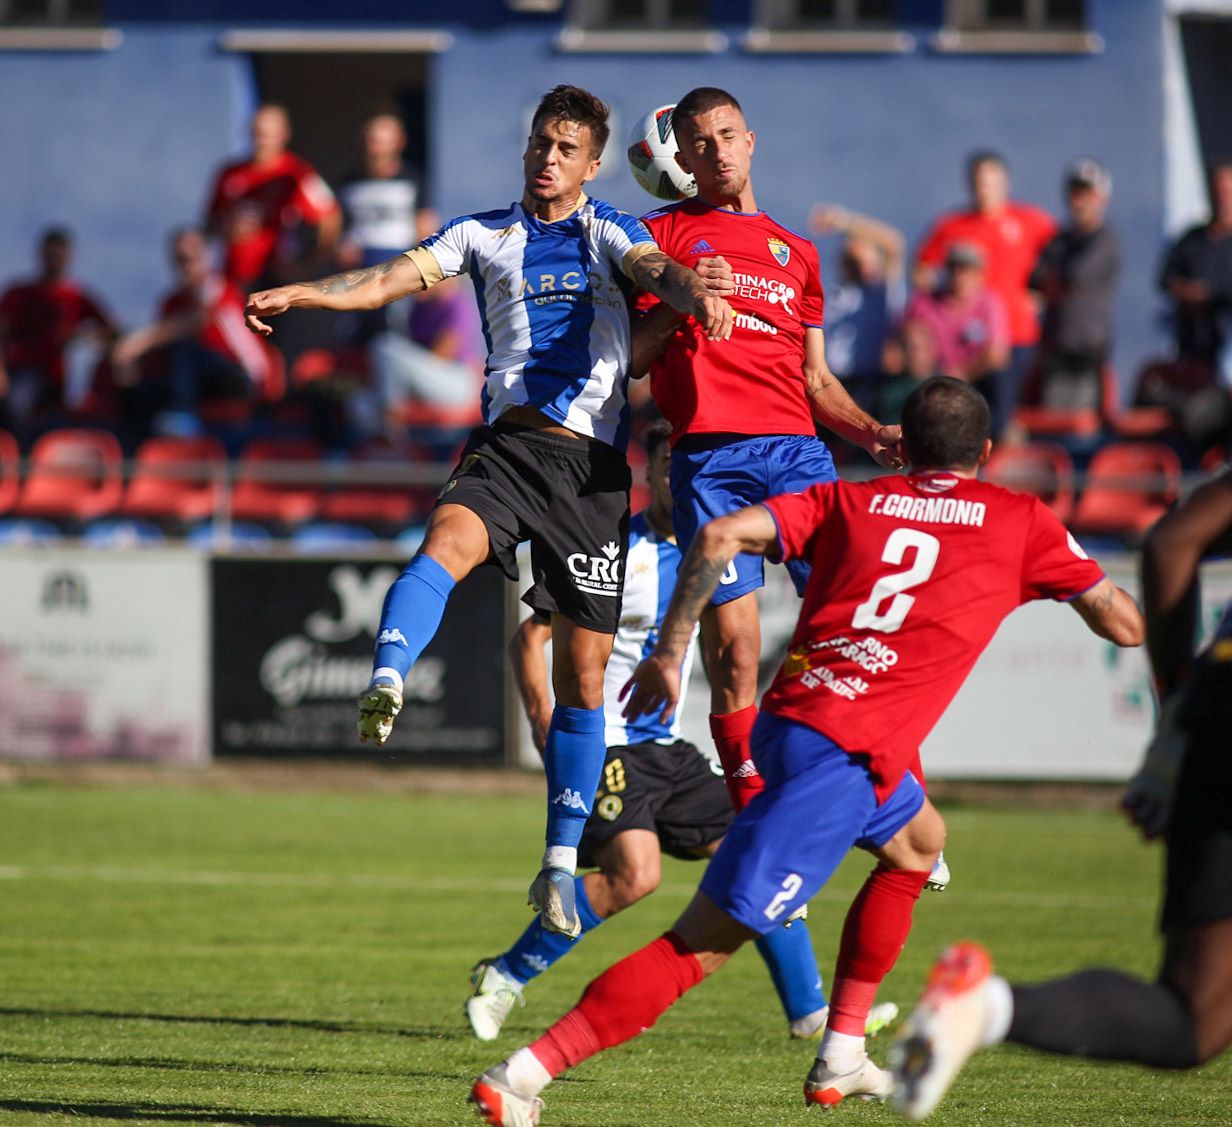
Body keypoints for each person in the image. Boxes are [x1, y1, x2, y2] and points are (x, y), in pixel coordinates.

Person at [469, 376, 1143, 1126]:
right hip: (841, 758)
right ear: (986, 452)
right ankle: (524, 1074)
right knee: (705, 942)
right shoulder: (1019, 519)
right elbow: (1124, 625)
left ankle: (842, 1050)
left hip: (791, 724)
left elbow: (721, 535)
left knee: (919, 845)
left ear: (902, 448)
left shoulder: (851, 499)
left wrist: (674, 644)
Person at [244, 84, 733, 939]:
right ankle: (388, 677)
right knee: (442, 544)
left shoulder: (612, 230)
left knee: (584, 679)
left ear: (590, 163)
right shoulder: (482, 233)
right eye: (540, 142)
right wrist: (307, 294)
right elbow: (388, 279)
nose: (548, 156)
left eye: (565, 147)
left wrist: (697, 295)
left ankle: (557, 858)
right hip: (507, 450)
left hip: (588, 472)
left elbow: (658, 271)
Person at [467, 423, 898, 1044]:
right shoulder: (616, 547)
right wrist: (544, 719)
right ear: (653, 474)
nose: (676, 478)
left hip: (666, 746)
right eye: (667, 467)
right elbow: (530, 638)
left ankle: (810, 1013)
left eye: (684, 467)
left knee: (758, 855)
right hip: (608, 741)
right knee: (636, 876)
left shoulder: (716, 551)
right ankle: (505, 976)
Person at [888, 468, 1232, 1122]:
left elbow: (1170, 542)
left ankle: (987, 1006)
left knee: (1194, 1018)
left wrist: (1179, 709)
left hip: (1217, 707)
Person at [629, 87, 902, 826]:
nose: (716, 151)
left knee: (848, 621)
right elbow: (630, 359)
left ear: (752, 141)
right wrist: (683, 300)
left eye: (727, 135)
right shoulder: (658, 238)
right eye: (699, 143)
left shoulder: (800, 254)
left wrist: (873, 434)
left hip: (799, 453)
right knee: (738, 652)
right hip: (710, 457)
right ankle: (754, 814)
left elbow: (816, 380)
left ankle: (879, 783)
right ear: (682, 159)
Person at [915, 151, 1057, 437]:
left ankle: (1003, 462)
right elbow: (922, 270)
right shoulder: (953, 225)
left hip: (1015, 335)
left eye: (992, 182)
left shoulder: (1030, 221)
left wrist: (1042, 293)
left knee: (1000, 415)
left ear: (1005, 183)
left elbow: (1061, 254)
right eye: (980, 182)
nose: (986, 189)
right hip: (965, 342)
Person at [111, 227, 276, 436]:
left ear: (207, 256)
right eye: (181, 259)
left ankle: (182, 417)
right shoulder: (172, 302)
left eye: (193, 257)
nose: (187, 265)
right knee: (141, 392)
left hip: (242, 378)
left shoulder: (216, 287)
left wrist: (134, 346)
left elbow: (192, 323)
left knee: (184, 348)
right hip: (199, 384)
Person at [205, 103, 341, 290]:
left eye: (267, 135)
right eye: (257, 133)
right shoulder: (230, 174)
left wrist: (308, 265)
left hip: (276, 280)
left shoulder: (296, 173)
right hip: (233, 278)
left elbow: (330, 217)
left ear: (284, 136)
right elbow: (208, 224)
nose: (261, 141)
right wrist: (227, 228)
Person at [0, 226, 116, 436]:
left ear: (69, 257)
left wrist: (80, 337)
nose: (54, 259)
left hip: (54, 380)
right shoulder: (18, 293)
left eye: (59, 254)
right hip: (17, 371)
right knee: (16, 402)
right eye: (50, 253)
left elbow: (112, 331)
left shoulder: (77, 297)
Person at [1028, 158, 1120, 412]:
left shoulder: (1105, 239)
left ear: (1102, 198)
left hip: (1087, 350)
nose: (1079, 200)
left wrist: (1057, 284)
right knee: (1053, 421)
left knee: (1082, 426)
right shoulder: (1060, 239)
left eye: (1087, 193)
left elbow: (1076, 276)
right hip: (1055, 348)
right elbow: (1035, 278)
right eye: (1075, 192)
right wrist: (1057, 284)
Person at [809, 203, 907, 413]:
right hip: (829, 381)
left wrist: (843, 222)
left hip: (866, 383)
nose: (855, 265)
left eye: (860, 259)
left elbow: (893, 242)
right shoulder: (832, 293)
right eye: (849, 259)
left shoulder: (882, 293)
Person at [903, 241, 1010, 389]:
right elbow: (907, 338)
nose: (960, 276)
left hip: (974, 380)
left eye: (967, 270)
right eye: (954, 269)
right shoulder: (924, 302)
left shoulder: (990, 303)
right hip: (930, 377)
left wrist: (963, 373)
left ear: (979, 274)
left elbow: (997, 355)